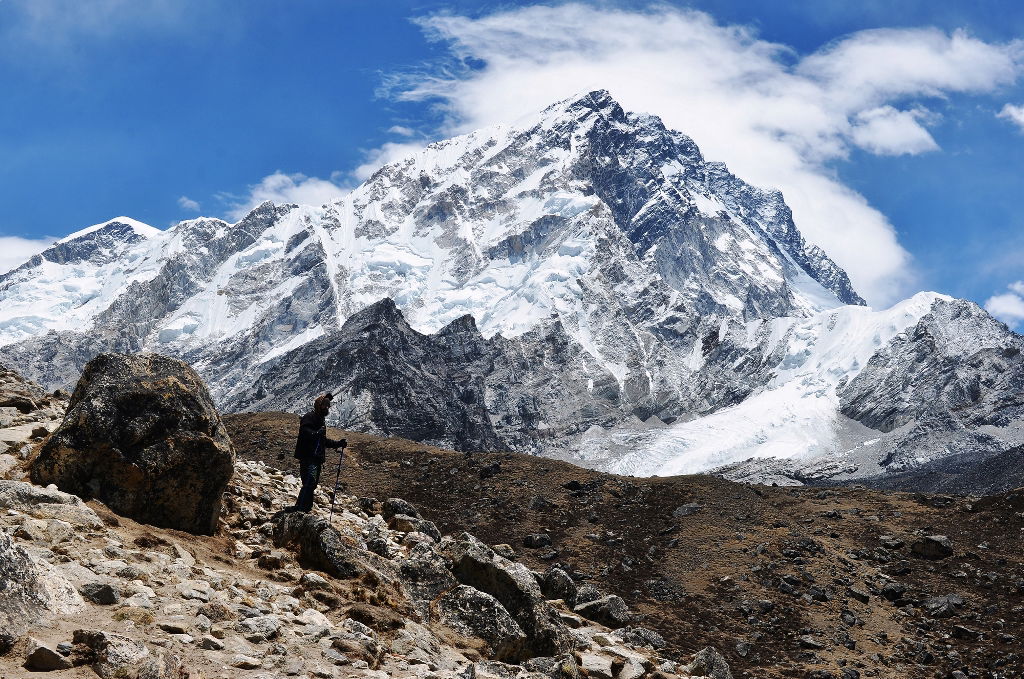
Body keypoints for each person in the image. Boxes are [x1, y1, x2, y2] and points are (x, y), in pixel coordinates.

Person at [287, 392, 346, 513]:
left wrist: (338, 443)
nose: (327, 408)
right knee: (309, 483)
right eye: (325, 405)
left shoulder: (320, 420)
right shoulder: (309, 417)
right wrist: (317, 433)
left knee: (311, 484)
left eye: (328, 405)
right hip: (308, 457)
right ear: (319, 405)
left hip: (315, 458)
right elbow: (305, 432)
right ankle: (301, 508)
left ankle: (304, 507)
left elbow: (323, 441)